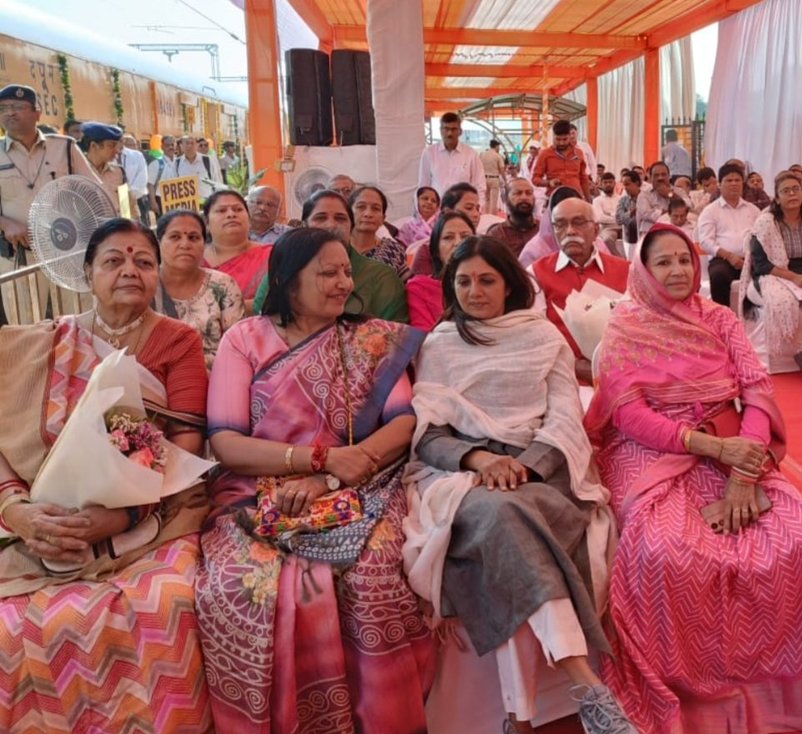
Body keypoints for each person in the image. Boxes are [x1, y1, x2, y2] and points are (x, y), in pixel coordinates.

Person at [584, 223, 802, 734]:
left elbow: (758, 389)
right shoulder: (627, 326)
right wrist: (710, 447)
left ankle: (760, 685)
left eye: (684, 260)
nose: (677, 270)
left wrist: (744, 469)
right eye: (663, 262)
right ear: (643, 270)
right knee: (663, 549)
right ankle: (683, 684)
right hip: (654, 449)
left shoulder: (719, 318)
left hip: (734, 440)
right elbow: (630, 415)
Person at [198, 226, 432, 732]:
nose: (343, 283)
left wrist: (350, 465)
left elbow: (404, 422)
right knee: (241, 588)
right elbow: (227, 442)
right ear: (286, 278)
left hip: (364, 483)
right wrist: (319, 461)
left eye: (346, 271)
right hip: (257, 488)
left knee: (373, 573)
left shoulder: (369, 338)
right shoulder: (246, 338)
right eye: (327, 273)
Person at [401, 236, 633, 734]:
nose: (474, 291)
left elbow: (566, 420)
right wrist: (482, 459)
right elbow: (428, 433)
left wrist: (523, 468)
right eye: (463, 281)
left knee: (508, 530)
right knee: (503, 517)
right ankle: (586, 685)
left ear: (510, 285)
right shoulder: (440, 344)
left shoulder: (542, 338)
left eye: (487, 280)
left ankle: (518, 718)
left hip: (539, 472)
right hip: (460, 475)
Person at [0, 218, 211, 731]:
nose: (129, 270)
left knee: (167, 602)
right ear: (87, 273)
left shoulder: (178, 342)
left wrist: (123, 515)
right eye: (113, 260)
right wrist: (17, 511)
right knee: (12, 626)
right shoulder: (41, 342)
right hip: (38, 517)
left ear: (157, 274)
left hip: (154, 513)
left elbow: (186, 446)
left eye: (143, 261)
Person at [0, 84, 98, 325]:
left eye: (18, 107)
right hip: (19, 256)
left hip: (67, 251)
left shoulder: (64, 147)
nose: (10, 113)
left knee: (78, 321)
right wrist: (5, 222)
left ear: (37, 113)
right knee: (24, 327)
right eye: (3, 108)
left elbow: (93, 192)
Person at [253, 190, 409, 323]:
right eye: (320, 218)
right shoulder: (283, 272)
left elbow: (395, 343)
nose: (331, 225)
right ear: (304, 225)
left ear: (351, 226)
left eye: (340, 218)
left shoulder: (382, 278)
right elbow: (263, 323)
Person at [531, 198, 631, 383]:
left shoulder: (626, 271)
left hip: (621, 377)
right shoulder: (536, 273)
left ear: (596, 230)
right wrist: (571, 365)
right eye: (560, 224)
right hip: (562, 378)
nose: (569, 231)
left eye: (578, 222)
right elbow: (533, 335)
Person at [739, 170, 802, 376]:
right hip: (772, 276)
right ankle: (792, 352)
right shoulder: (767, 222)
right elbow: (762, 265)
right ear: (777, 199)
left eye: (796, 189)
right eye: (785, 191)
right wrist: (796, 278)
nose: (792, 194)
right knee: (786, 301)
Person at [154, 210, 244, 368]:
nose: (185, 244)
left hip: (216, 382)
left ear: (204, 243)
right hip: (158, 383)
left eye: (193, 237)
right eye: (175, 237)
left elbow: (239, 349)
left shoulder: (223, 285)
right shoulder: (146, 286)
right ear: (159, 242)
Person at [696, 162, 760, 307]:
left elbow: (762, 237)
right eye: (729, 180)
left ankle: (753, 319)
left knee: (767, 275)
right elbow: (706, 241)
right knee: (718, 276)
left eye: (737, 180)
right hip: (723, 260)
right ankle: (723, 318)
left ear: (743, 183)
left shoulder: (754, 210)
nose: (734, 184)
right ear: (720, 184)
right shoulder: (710, 211)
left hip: (751, 259)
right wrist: (729, 256)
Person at [203, 190, 271, 312]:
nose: (231, 214)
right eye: (221, 210)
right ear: (207, 223)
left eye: (238, 209)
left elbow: (276, 300)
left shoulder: (271, 255)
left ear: (249, 220)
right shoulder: (193, 258)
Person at [408, 211, 474, 331]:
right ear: (436, 250)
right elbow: (424, 336)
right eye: (448, 237)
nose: (458, 242)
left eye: (465, 237)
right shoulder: (420, 288)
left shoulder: (487, 284)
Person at [349, 185, 410, 279]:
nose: (368, 214)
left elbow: (407, 287)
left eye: (376, 208)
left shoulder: (394, 251)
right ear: (349, 213)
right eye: (361, 207)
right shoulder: (336, 248)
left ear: (383, 218)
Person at [418, 112, 485, 195]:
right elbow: (423, 185)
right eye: (446, 129)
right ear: (440, 130)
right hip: (438, 207)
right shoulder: (429, 153)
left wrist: (478, 206)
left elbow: (479, 185)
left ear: (460, 131)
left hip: (462, 207)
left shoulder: (471, 154)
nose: (449, 133)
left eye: (453, 129)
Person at [533, 120, 590, 200]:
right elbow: (535, 179)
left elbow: (583, 178)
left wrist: (588, 199)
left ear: (570, 136)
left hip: (576, 198)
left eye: (564, 139)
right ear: (553, 137)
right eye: (558, 139)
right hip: (555, 199)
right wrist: (549, 183)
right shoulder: (545, 154)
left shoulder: (579, 153)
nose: (561, 143)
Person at [487, 177, 540, 259]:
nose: (524, 197)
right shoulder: (496, 235)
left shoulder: (544, 230)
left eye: (529, 193)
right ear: (505, 199)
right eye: (518, 193)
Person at [80, 122, 127, 212]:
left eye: (117, 145)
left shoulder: (119, 172)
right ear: (93, 145)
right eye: (111, 145)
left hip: (115, 224)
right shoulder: (77, 171)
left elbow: (127, 207)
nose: (117, 150)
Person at [636, 162, 676, 238]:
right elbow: (647, 214)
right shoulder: (644, 195)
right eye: (656, 175)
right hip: (651, 234)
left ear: (669, 176)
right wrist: (671, 213)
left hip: (674, 233)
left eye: (663, 174)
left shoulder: (678, 191)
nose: (660, 178)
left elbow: (689, 208)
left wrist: (671, 195)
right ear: (650, 177)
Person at [121, 134, 150, 224]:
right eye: (131, 145)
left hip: (138, 198)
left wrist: (128, 195)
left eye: (135, 145)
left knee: (142, 228)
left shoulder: (137, 156)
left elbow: (142, 178)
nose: (134, 147)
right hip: (119, 201)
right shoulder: (112, 157)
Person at [592, 172, 623, 249]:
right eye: (605, 182)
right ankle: (619, 260)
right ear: (601, 184)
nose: (608, 184)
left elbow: (626, 216)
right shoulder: (597, 200)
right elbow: (600, 218)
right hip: (607, 228)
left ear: (614, 183)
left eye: (610, 182)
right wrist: (618, 218)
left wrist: (610, 215)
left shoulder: (621, 199)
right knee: (607, 240)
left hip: (623, 227)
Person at [615, 170, 641, 248]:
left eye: (628, 184)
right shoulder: (623, 200)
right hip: (630, 240)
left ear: (636, 183)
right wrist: (631, 212)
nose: (625, 188)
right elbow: (618, 220)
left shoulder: (647, 198)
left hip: (645, 237)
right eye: (624, 185)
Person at [482, 138, 506, 214]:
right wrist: (505, 180)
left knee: (486, 199)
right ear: (496, 146)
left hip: (484, 178)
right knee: (494, 200)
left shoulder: (482, 154)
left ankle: (486, 215)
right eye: (499, 147)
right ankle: (492, 217)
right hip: (494, 179)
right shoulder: (498, 156)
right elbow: (502, 170)